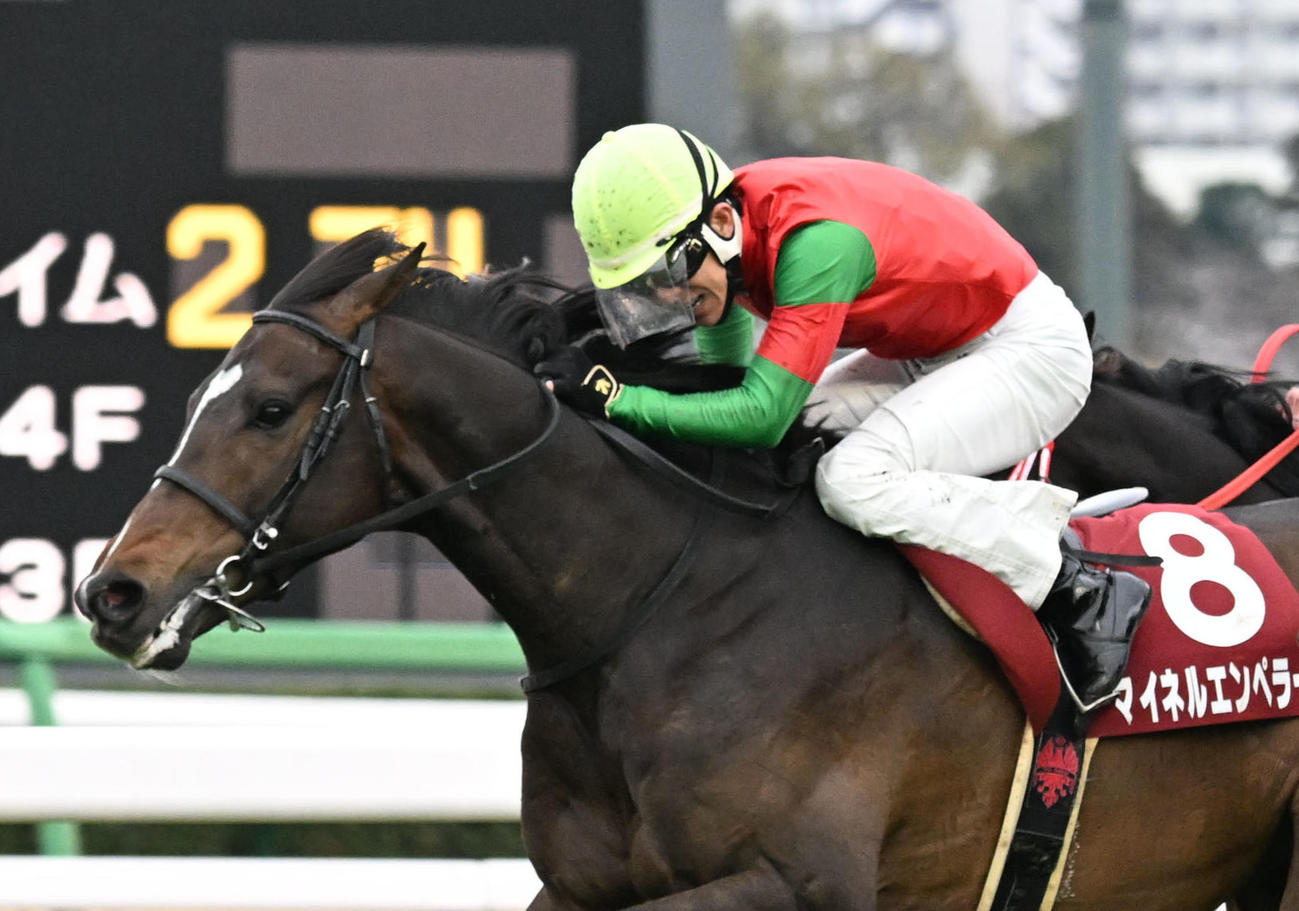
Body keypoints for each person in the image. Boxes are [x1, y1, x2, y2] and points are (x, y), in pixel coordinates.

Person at [537, 122, 1151, 714]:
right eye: (648, 287)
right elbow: (727, 387)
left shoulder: (817, 244)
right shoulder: (728, 230)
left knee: (850, 480)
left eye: (668, 276)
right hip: (934, 346)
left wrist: (617, 400)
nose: (669, 298)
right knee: (799, 444)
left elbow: (759, 416)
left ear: (721, 223)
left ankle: (1077, 587)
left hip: (1030, 351)